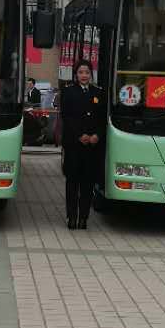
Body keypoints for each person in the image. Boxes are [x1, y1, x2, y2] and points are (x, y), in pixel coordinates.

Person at [60, 60, 106, 230]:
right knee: (72, 182)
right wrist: (80, 135)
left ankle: (83, 218)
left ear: (91, 74)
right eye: (80, 72)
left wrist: (97, 135)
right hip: (74, 145)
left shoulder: (98, 92)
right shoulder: (68, 92)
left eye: (87, 72)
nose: (84, 75)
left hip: (92, 147)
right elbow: (66, 117)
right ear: (76, 74)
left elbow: (102, 119)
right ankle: (72, 217)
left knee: (88, 183)